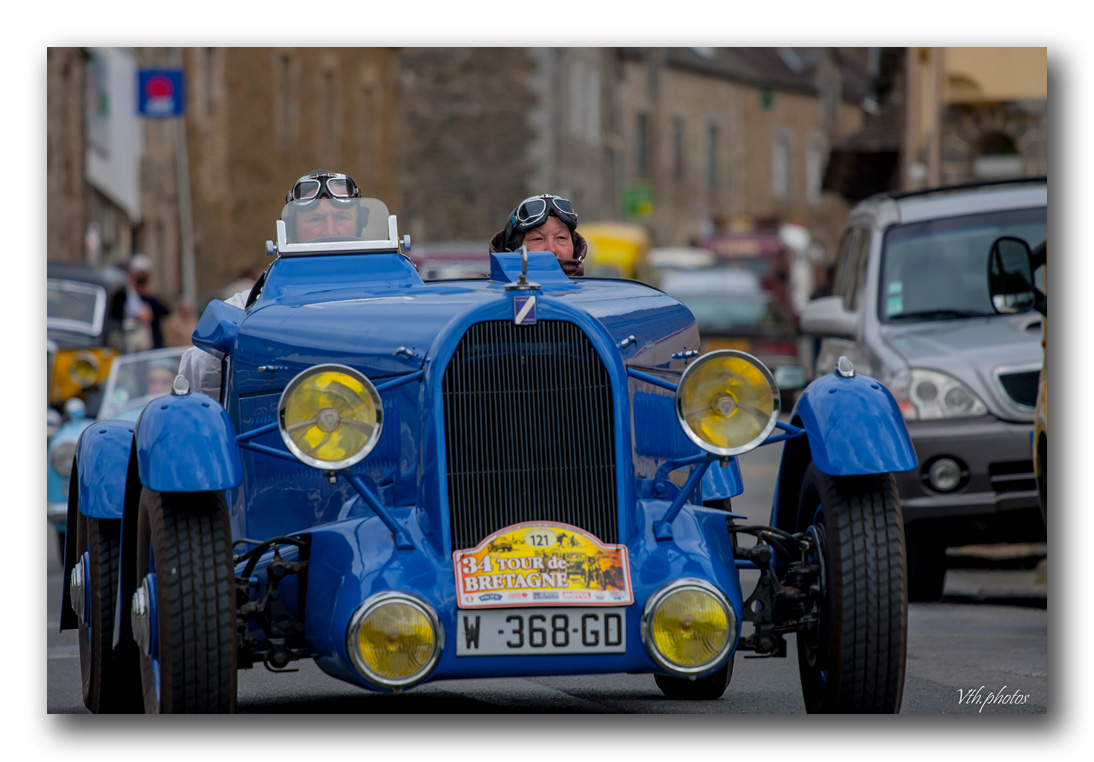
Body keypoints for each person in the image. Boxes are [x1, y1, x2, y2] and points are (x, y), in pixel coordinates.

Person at [179, 169, 362, 399]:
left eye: (342, 218)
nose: (329, 230)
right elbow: (192, 375)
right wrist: (234, 346)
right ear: (290, 232)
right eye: (315, 219)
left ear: (359, 228)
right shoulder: (251, 303)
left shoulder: (391, 296)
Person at [488, 194, 588, 276]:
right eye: (537, 239)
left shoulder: (594, 295)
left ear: (574, 246)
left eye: (561, 238)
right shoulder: (482, 294)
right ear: (512, 248)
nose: (551, 250)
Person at [110, 254, 172, 350]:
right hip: (127, 341)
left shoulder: (147, 299)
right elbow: (141, 314)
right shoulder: (123, 294)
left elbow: (162, 311)